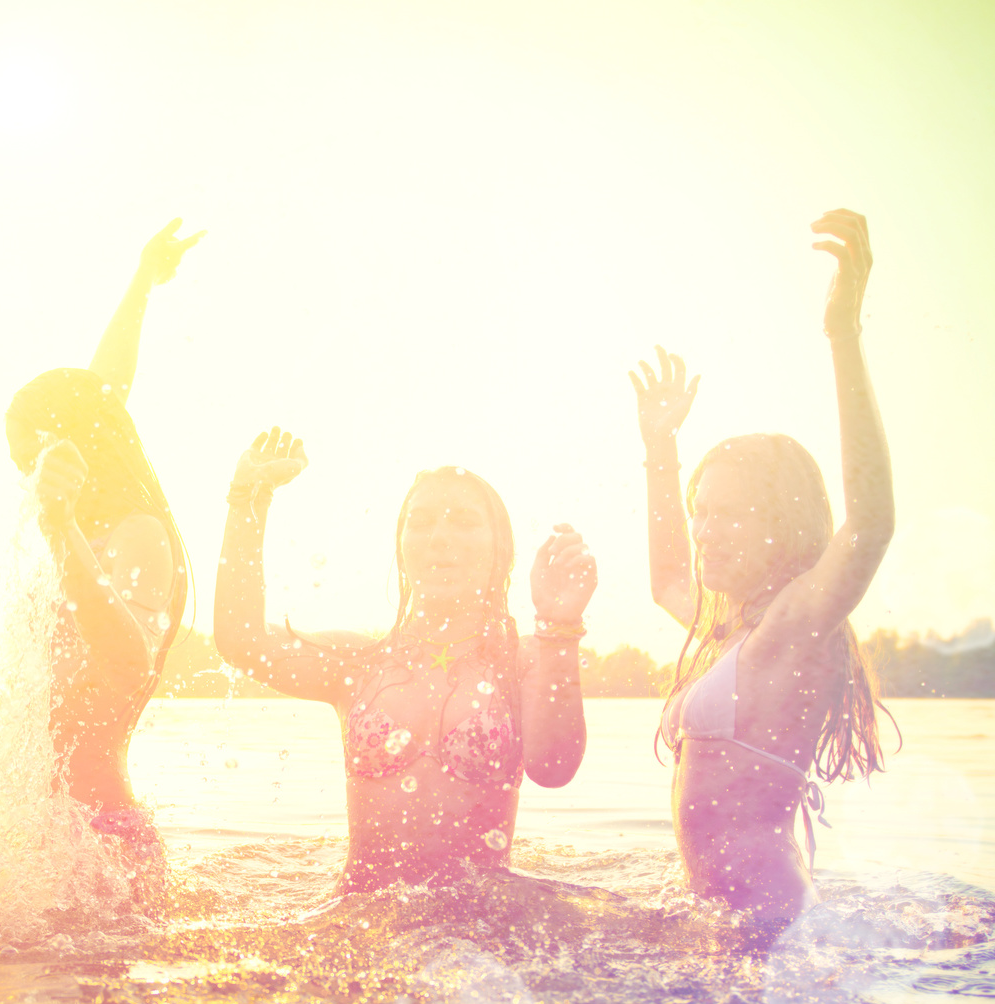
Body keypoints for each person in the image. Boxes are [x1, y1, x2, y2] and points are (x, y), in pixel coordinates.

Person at [633, 208, 894, 924]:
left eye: (728, 514)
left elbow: (870, 525)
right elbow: (664, 582)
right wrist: (661, 451)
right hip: (727, 918)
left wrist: (842, 335)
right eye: (701, 512)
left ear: (782, 524)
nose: (706, 531)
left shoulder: (793, 626)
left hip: (770, 923)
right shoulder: (731, 627)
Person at [214, 430, 597, 892]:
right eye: (422, 521)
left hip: (484, 931)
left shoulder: (522, 662)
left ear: (502, 548)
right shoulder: (358, 662)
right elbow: (241, 640)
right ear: (401, 545)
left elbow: (555, 769)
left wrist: (559, 628)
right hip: (361, 922)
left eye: (464, 522)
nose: (439, 537)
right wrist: (248, 500)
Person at [2, 220, 200, 862]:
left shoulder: (136, 533)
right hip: (49, 833)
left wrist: (60, 529)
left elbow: (129, 657)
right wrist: (143, 280)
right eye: (25, 459)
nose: (33, 473)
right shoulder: (83, 531)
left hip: (104, 838)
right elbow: (104, 390)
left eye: (40, 451)